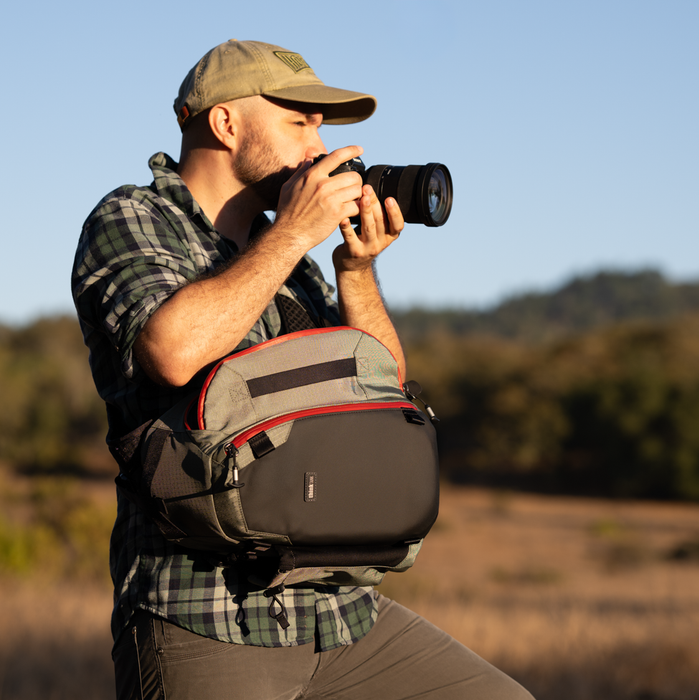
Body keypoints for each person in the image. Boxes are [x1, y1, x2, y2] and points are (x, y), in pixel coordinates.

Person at [72, 40, 532, 699]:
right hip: (207, 615)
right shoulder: (133, 217)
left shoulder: (293, 253)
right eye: (300, 119)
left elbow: (381, 395)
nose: (321, 144)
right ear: (225, 123)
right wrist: (292, 233)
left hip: (339, 615)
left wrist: (355, 270)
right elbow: (171, 352)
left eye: (322, 125)